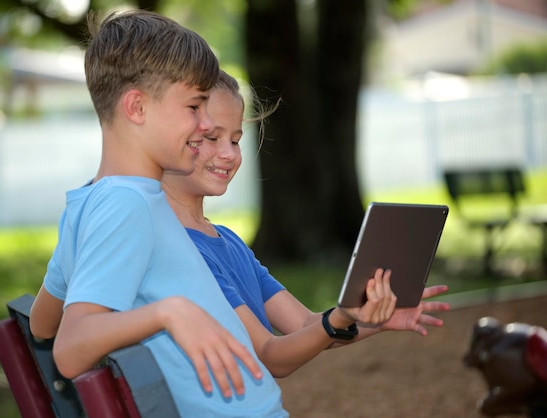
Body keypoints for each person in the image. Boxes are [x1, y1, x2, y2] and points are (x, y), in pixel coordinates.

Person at [28, 10, 294, 417]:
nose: (204, 123)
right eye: (194, 106)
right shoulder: (126, 204)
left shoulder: (91, 202)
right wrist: (169, 312)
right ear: (136, 107)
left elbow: (42, 324)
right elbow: (69, 347)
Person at [162, 70, 450, 377]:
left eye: (235, 140)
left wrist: (373, 319)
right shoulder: (181, 251)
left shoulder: (228, 241)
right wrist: (338, 319)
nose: (229, 154)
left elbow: (303, 324)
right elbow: (270, 356)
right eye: (211, 138)